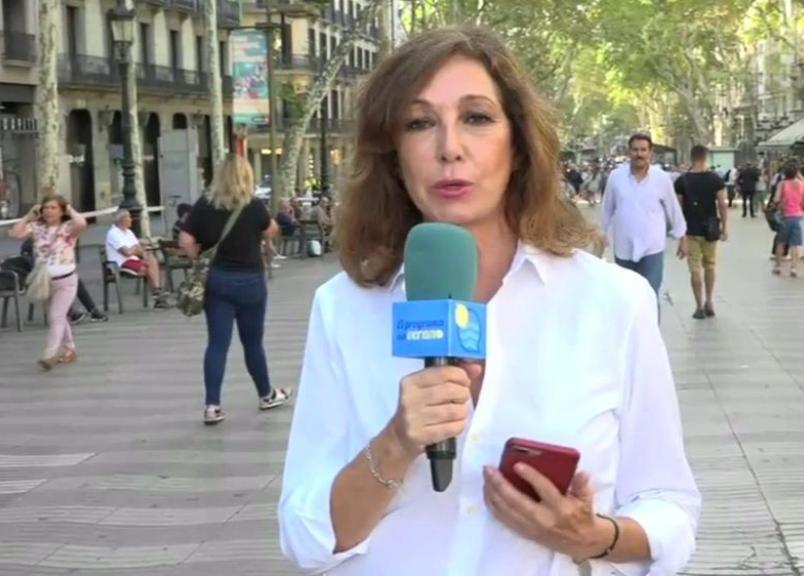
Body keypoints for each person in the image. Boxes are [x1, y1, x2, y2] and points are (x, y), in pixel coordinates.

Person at [279, 27, 700, 576]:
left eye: (476, 117)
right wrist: (396, 443)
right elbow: (305, 537)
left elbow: (670, 505)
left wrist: (594, 535)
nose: (449, 147)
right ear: (393, 153)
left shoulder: (615, 302)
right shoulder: (343, 308)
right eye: (419, 122)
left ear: (520, 144)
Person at [179, 154, 292, 424]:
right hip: (251, 280)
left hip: (217, 280)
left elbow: (185, 240)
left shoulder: (204, 205)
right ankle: (266, 394)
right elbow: (272, 229)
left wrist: (199, 256)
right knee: (252, 343)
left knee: (217, 344)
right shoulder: (252, 206)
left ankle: (212, 406)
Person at [602, 132, 688, 299]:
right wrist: (602, 233)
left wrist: (682, 238)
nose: (639, 154)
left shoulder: (661, 179)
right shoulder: (616, 177)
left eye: (643, 150)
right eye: (635, 150)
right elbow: (607, 207)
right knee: (627, 298)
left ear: (650, 153)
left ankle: (651, 326)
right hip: (624, 248)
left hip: (652, 248)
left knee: (650, 296)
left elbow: (673, 209)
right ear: (629, 152)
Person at [10, 194, 88, 370]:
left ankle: (50, 352)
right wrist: (28, 217)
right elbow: (15, 233)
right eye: (45, 207)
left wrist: (69, 209)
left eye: (53, 208)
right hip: (45, 281)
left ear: (61, 211)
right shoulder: (37, 228)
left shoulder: (68, 227)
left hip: (66, 280)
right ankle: (70, 349)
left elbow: (82, 223)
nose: (48, 211)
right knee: (60, 316)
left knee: (56, 316)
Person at [675, 145, 727, 319]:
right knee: (710, 265)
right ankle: (710, 301)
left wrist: (679, 234)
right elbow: (722, 203)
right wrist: (724, 226)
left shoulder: (682, 180)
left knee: (695, 269)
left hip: (690, 230)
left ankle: (698, 306)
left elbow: (678, 208)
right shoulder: (715, 179)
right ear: (706, 158)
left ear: (691, 157)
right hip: (710, 230)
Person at [105, 210, 169, 308]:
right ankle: (158, 295)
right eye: (129, 217)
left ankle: (157, 294)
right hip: (120, 263)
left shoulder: (129, 232)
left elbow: (138, 249)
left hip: (133, 259)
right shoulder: (113, 233)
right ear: (122, 220)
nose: (131, 220)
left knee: (155, 263)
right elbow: (126, 252)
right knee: (149, 266)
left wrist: (137, 250)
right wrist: (136, 249)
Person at [771, 164, 804, 277]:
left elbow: (776, 199)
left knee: (781, 242)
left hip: (785, 216)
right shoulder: (801, 184)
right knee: (794, 244)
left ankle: (778, 266)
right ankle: (794, 268)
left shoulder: (782, 184)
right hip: (797, 216)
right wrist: (799, 175)